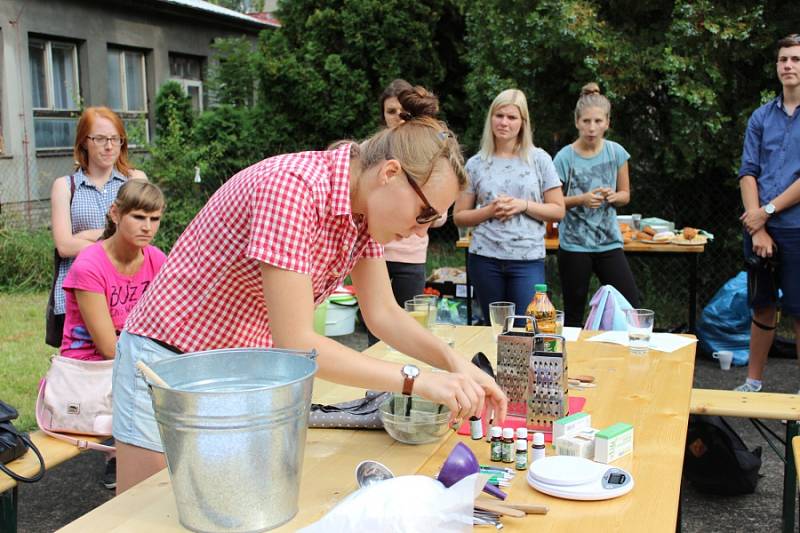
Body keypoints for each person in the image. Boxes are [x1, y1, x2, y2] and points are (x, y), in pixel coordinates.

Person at [112, 85, 509, 493]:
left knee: (219, 505)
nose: (419, 229)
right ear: (390, 173)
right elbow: (297, 344)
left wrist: (454, 363)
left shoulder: (362, 212)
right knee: (143, 513)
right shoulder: (292, 189)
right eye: (423, 213)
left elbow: (384, 314)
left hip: (235, 371)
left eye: (434, 221)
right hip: (165, 361)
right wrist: (417, 379)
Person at [60, 180, 166, 490]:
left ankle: (142, 463)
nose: (147, 227)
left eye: (155, 219)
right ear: (115, 214)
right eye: (138, 217)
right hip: (90, 366)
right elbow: (108, 347)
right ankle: (129, 465)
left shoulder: (156, 259)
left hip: (132, 356)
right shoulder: (90, 264)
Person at [453, 89, 564, 324]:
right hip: (485, 258)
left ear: (523, 123)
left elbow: (558, 210)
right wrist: (489, 211)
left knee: (527, 326)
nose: (504, 122)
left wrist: (522, 205)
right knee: (494, 327)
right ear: (490, 118)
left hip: (528, 259)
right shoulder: (475, 164)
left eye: (512, 117)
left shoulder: (539, 159)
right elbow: (459, 216)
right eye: (499, 115)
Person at [736, 34, 800, 393]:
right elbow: (748, 172)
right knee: (762, 308)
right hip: (758, 227)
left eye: (795, 59)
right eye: (783, 60)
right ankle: (753, 382)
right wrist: (757, 224)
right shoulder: (761, 117)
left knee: (799, 312)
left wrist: (768, 211)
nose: (788, 66)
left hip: (795, 227)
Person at [50, 107, 147, 344]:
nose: (109, 146)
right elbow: (64, 246)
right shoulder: (65, 186)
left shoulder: (135, 180)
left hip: (125, 293)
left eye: (115, 139)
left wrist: (84, 236)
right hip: (78, 291)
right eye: (100, 139)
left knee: (126, 363)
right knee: (83, 366)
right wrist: (111, 235)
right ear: (84, 142)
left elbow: (141, 235)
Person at [366, 79, 448, 345]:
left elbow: (442, 213)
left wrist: (424, 214)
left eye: (402, 111)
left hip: (410, 254)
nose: (397, 118)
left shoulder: (429, 151)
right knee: (375, 327)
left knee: (411, 324)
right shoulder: (370, 150)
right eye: (390, 112)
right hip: (372, 248)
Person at [553, 84, 641, 327]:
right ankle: (572, 359)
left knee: (630, 305)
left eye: (597, 121)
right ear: (577, 122)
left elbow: (625, 195)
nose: (592, 128)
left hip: (608, 242)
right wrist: (581, 199)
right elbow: (552, 203)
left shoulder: (617, 153)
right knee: (573, 311)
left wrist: (614, 196)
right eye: (586, 121)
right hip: (574, 245)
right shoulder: (564, 157)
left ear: (607, 123)